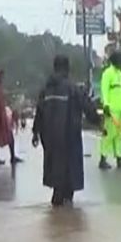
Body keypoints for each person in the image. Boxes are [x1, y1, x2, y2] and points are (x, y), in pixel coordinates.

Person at [32, 56, 100, 207]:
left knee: (56, 174)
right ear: (67, 68)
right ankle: (66, 215)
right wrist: (99, 122)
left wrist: (35, 133)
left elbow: (39, 112)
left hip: (49, 139)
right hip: (69, 138)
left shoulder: (46, 89)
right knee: (69, 176)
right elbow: (88, 107)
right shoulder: (73, 88)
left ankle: (58, 215)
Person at [99, 51, 121, 170]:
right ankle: (103, 158)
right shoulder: (108, 73)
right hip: (112, 109)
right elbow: (104, 90)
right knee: (109, 134)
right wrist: (106, 105)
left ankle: (120, 158)